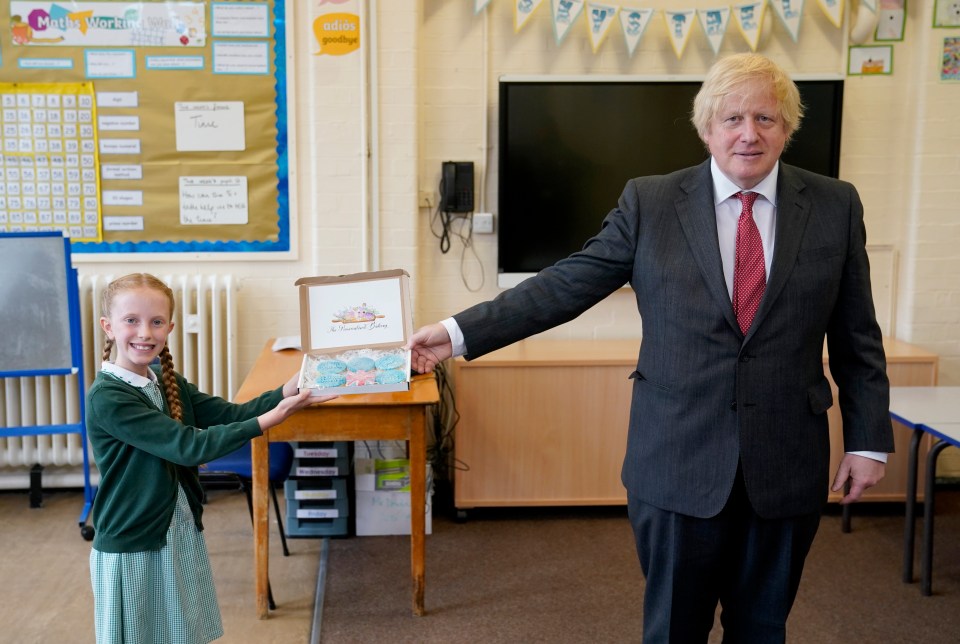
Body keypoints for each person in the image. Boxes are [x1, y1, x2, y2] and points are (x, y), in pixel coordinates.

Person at [406, 53, 893, 643]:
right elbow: (566, 284)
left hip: (787, 463)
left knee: (764, 628)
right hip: (676, 465)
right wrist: (455, 333)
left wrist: (867, 439)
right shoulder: (651, 202)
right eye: (733, 118)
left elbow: (857, 338)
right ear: (706, 128)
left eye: (766, 118)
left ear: (787, 128)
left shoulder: (836, 207)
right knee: (671, 630)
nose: (749, 134)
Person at [86, 273, 334, 644]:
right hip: (135, 539)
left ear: (169, 327)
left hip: (175, 527)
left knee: (179, 632)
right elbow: (189, 446)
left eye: (156, 322)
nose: (145, 332)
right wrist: (272, 418)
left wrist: (290, 388)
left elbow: (230, 414)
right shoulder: (108, 397)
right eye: (131, 321)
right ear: (108, 327)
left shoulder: (163, 380)